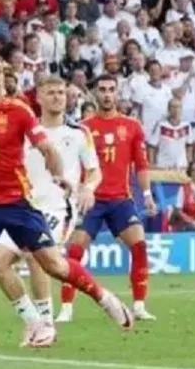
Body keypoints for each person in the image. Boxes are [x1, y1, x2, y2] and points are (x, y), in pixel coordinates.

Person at [0, 52, 131, 362]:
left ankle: (103, 297)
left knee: (53, 265)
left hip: (19, 202)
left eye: (0, 71)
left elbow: (45, 147)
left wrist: (59, 174)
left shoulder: (18, 111)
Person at [0, 76, 101, 347]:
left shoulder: (78, 133)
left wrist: (88, 188)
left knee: (34, 254)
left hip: (59, 207)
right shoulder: (26, 131)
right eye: (50, 92)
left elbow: (94, 170)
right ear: (38, 97)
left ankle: (46, 324)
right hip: (25, 206)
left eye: (61, 92)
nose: (58, 97)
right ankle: (33, 321)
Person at [58, 75, 156, 324]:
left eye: (111, 90)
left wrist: (146, 195)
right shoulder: (83, 128)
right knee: (75, 252)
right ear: (94, 94)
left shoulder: (132, 126)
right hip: (91, 199)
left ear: (117, 93)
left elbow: (141, 164)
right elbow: (73, 164)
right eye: (102, 90)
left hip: (120, 199)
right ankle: (67, 308)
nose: (107, 94)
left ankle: (139, 305)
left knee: (139, 245)